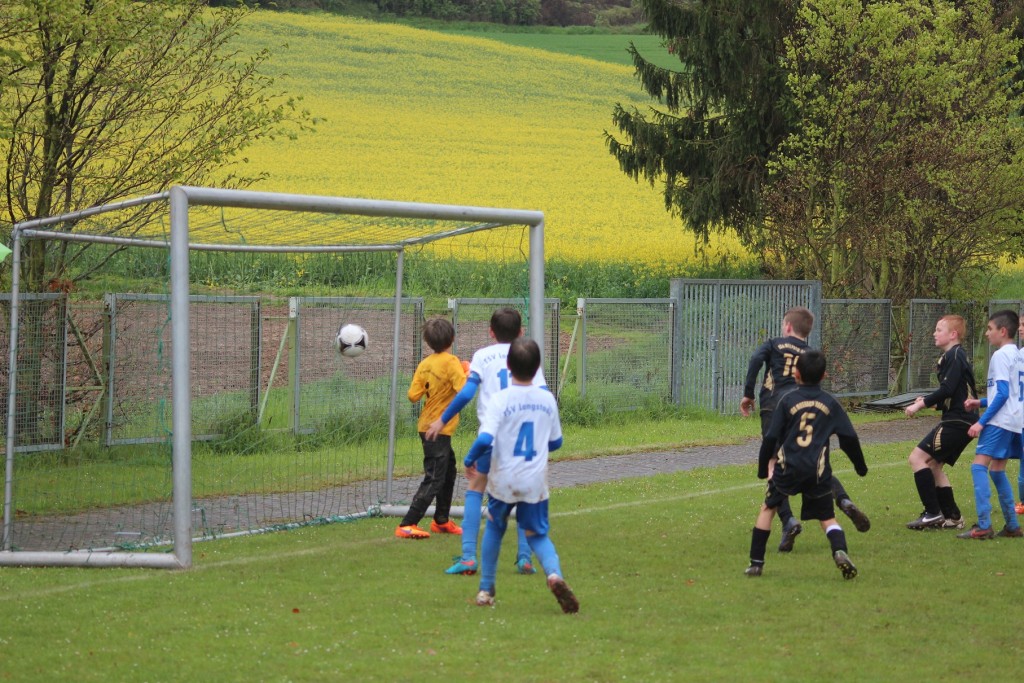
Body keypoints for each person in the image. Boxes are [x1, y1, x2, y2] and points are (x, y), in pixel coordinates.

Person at [741, 306, 869, 553]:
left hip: (776, 405)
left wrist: (748, 393)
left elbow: (756, 359)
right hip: (811, 408)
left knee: (774, 463)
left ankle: (787, 519)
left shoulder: (774, 343)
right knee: (814, 461)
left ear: (787, 326)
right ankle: (843, 499)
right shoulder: (810, 353)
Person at [424, 307, 542, 575]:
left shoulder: (483, 356)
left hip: (491, 435)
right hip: (521, 435)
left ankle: (468, 556)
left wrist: (442, 420)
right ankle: (524, 557)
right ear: (521, 332)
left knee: (476, 488)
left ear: (491, 332)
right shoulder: (527, 353)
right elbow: (542, 393)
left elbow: (466, 393)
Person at [464, 337, 579, 613]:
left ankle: (486, 589)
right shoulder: (547, 399)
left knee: (494, 527)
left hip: (504, 478)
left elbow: (486, 438)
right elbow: (556, 443)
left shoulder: (500, 399)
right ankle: (553, 574)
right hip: (534, 481)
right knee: (538, 535)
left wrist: (469, 459)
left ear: (509, 366)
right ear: (538, 366)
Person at [903, 315, 978, 530]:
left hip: (958, 421)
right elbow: (954, 392)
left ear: (953, 334)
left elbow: (947, 389)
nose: (934, 333)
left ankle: (932, 513)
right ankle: (952, 516)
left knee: (917, 458)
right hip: (962, 420)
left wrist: (920, 405)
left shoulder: (955, 355)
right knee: (934, 465)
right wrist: (935, 405)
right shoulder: (954, 356)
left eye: (939, 329)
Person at [394, 318, 466, 539]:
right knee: (435, 476)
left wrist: (431, 385)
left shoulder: (424, 364)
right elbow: (464, 389)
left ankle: (441, 520)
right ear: (452, 338)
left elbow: (412, 396)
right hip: (438, 427)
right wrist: (467, 371)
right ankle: (408, 523)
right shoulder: (452, 362)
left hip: (426, 426)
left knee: (449, 470)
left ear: (427, 342)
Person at [958, 309, 1024, 540]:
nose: (987, 334)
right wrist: (981, 401)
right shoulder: (1019, 354)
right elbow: (1013, 392)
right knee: (997, 471)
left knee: (978, 467)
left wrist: (982, 422)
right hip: (1016, 420)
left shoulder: (1000, 356)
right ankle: (1012, 526)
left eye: (990, 329)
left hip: (1000, 420)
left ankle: (984, 525)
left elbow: (1004, 393)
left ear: (1002, 331)